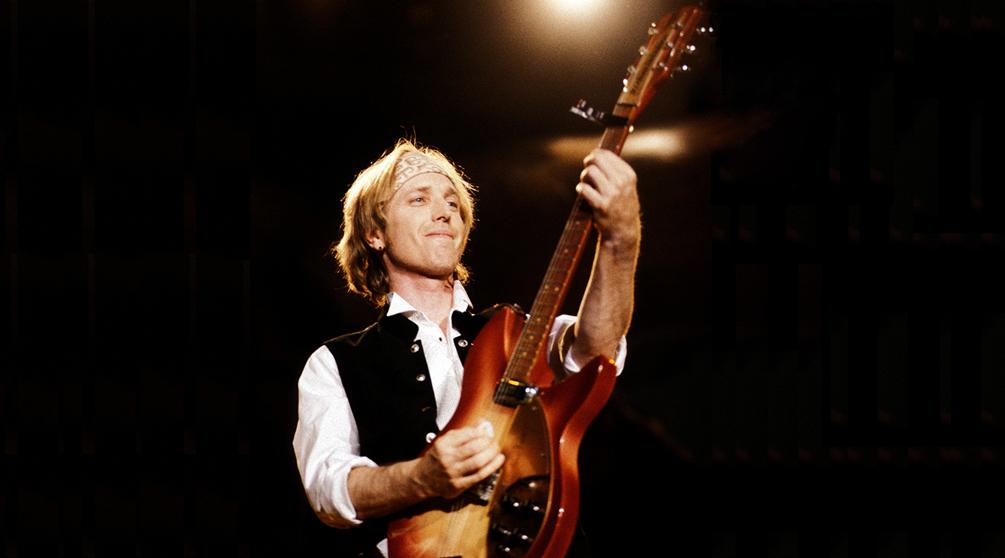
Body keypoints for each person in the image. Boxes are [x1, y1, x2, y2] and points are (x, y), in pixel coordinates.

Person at [293, 138, 640, 556]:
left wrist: (620, 243)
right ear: (375, 234)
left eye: (453, 203)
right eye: (418, 199)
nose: (444, 212)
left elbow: (594, 351)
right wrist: (422, 477)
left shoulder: (518, 332)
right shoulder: (334, 363)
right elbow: (328, 490)